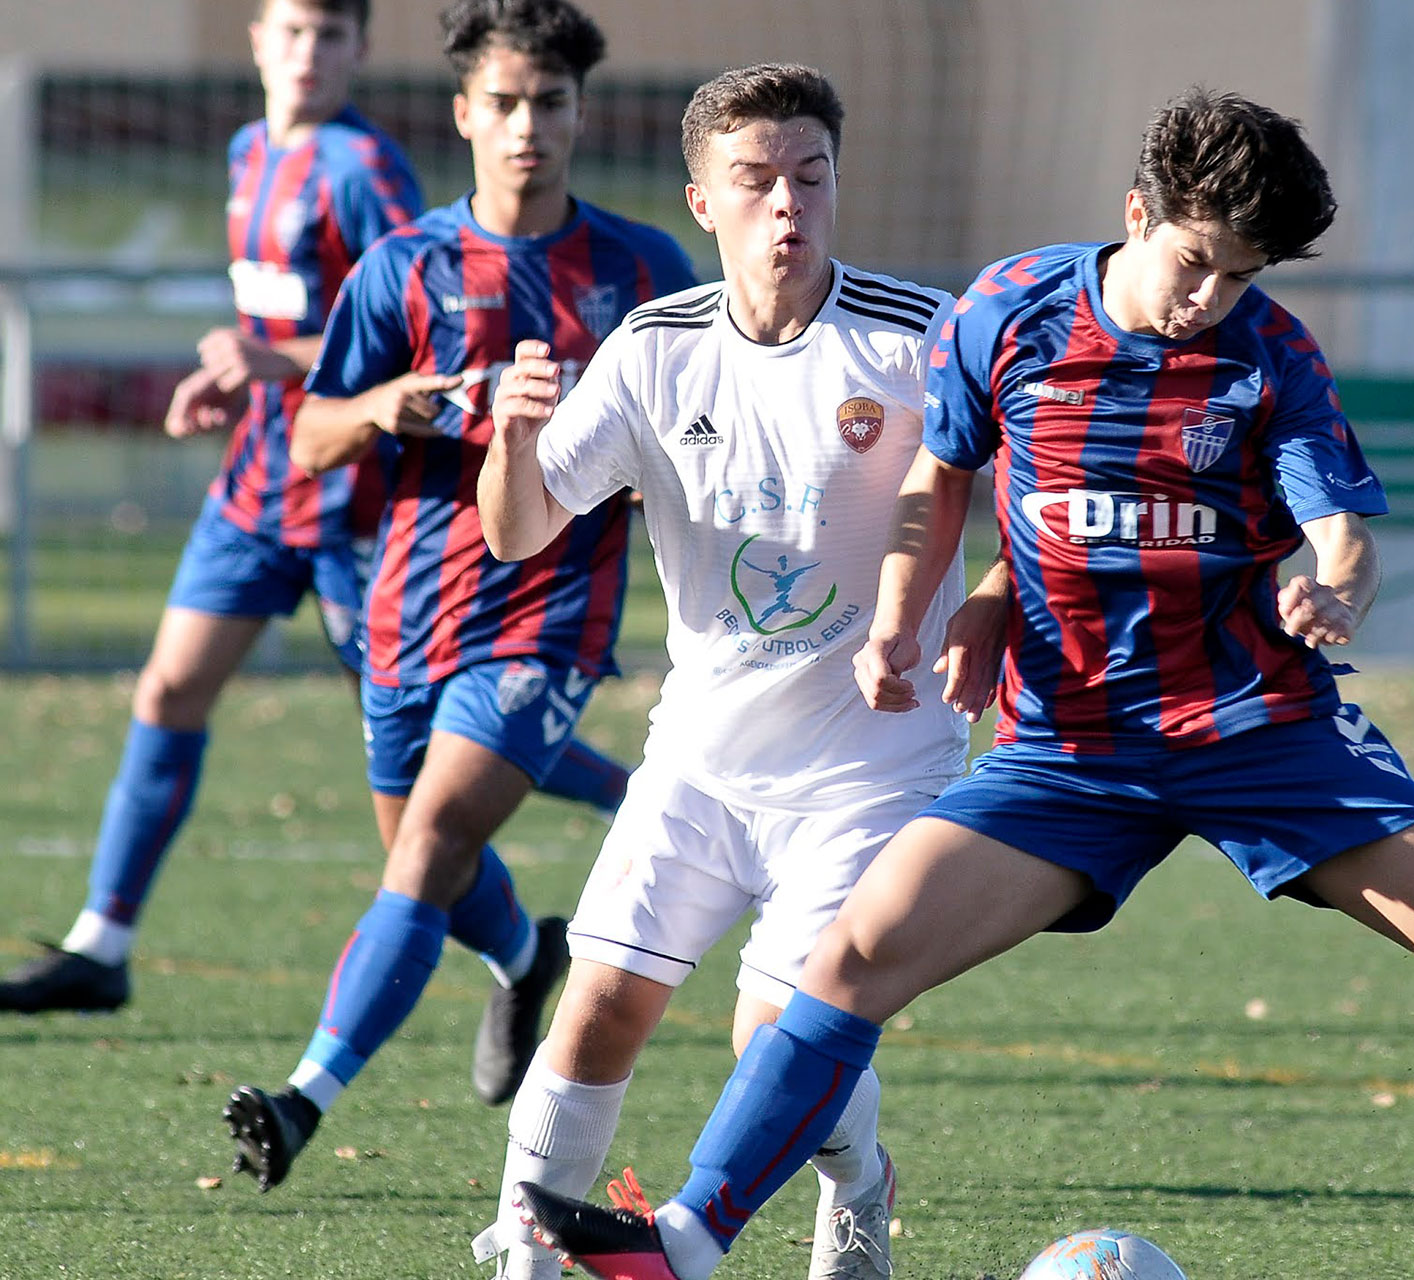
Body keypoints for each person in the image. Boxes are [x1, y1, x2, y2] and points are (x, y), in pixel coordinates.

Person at [514, 90, 1414, 1276]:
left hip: (1259, 731)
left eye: (1240, 276)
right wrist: (911, 614)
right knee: (851, 959)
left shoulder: (1269, 355)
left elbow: (1338, 520)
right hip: (1072, 754)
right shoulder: (1010, 311)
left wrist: (1334, 580)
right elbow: (944, 478)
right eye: (1194, 263)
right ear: (1136, 210)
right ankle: (687, 1239)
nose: (1206, 299)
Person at [470, 63, 1008, 1280]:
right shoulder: (654, 351)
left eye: (810, 178)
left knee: (775, 1031)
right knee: (598, 1003)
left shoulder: (920, 335)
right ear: (702, 200)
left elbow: (1034, 495)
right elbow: (518, 527)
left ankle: (859, 1181)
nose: (788, 206)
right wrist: (509, 433)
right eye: (756, 180)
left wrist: (982, 602)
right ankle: (530, 1249)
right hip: (704, 757)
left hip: (875, 763)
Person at [0, 0, 636, 1019]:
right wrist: (242, 369)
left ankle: (607, 833)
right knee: (168, 689)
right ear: (256, 40)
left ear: (359, 50)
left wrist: (277, 362)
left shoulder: (362, 170)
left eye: (329, 36)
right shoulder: (251, 149)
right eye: (290, 31)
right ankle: (102, 941)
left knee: (427, 762)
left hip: (359, 503)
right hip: (259, 482)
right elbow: (297, 320)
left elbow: (411, 333)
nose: (307, 54)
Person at [220, 0, 697, 1192]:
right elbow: (317, 436)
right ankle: (525, 952)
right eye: (503, 103)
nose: (526, 125)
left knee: (430, 838)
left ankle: (303, 1097)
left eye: (549, 102)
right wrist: (389, 404)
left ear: (581, 113)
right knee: (429, 861)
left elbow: (708, 424)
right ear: (463, 115)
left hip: (548, 618)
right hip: (406, 613)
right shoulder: (405, 267)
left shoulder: (644, 271)